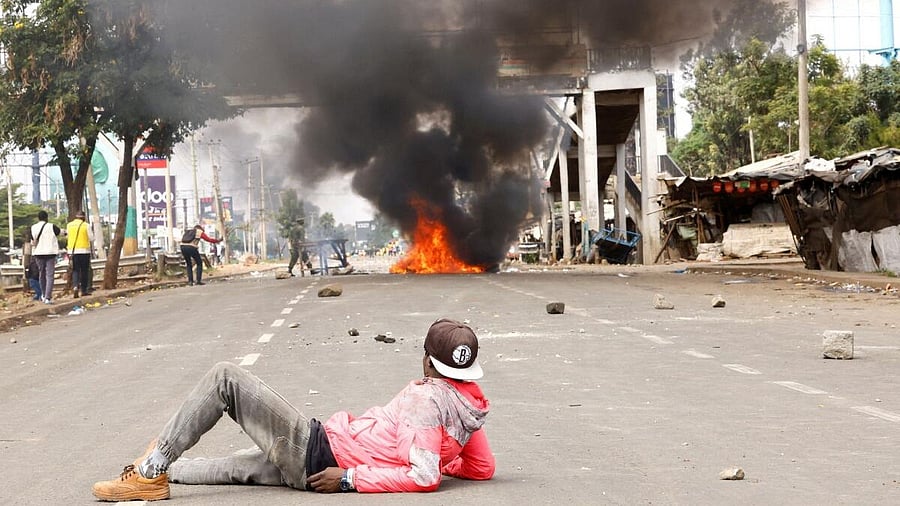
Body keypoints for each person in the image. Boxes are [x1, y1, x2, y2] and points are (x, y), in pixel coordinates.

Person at [91, 318, 493, 501]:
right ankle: (157, 465)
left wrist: (351, 478)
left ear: (427, 361)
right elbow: (480, 468)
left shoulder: (427, 399)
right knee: (232, 470)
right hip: (315, 464)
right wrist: (435, 459)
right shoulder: (467, 404)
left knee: (226, 377)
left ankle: (149, 472)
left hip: (317, 452)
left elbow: (424, 477)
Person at [30, 210, 62, 304]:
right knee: (50, 275)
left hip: (38, 253)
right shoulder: (52, 226)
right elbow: (60, 233)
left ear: (38, 218)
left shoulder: (33, 227)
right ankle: (48, 297)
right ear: (47, 218)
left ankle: (43, 295)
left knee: (41, 274)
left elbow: (32, 241)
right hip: (50, 253)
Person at [66, 210, 93, 298]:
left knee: (75, 270)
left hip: (72, 252)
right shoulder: (86, 225)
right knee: (84, 271)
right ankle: (84, 290)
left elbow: (67, 236)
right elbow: (92, 238)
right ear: (83, 217)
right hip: (84, 251)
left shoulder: (69, 225)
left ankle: (75, 287)